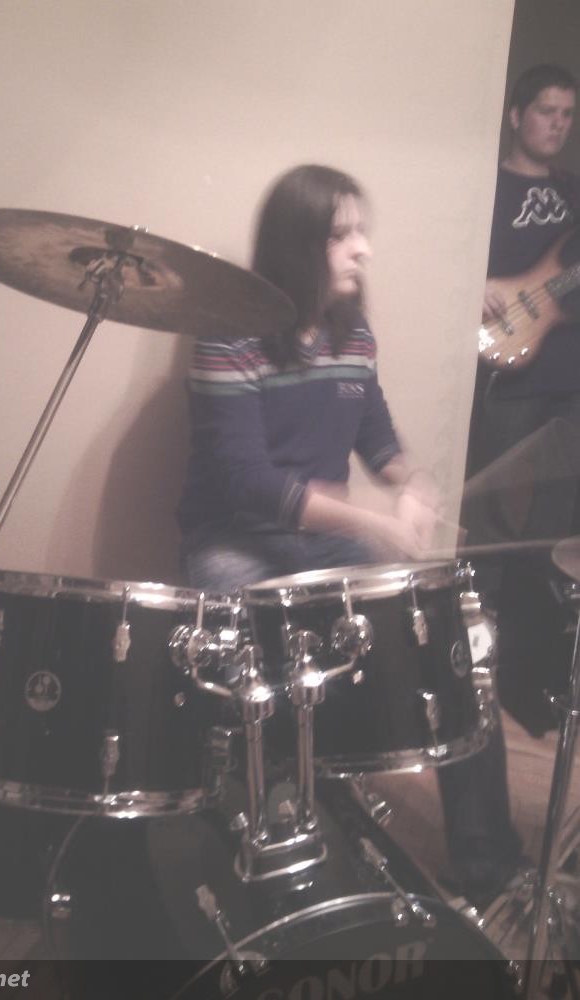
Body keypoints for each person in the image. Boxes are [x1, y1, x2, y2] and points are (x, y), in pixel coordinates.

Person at [178, 163, 523, 909]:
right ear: (296, 245)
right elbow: (249, 484)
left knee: (453, 647)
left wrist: (415, 482)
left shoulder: (353, 333)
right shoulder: (228, 336)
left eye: (362, 232)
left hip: (325, 542)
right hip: (235, 541)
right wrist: (373, 523)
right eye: (343, 235)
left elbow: (377, 438)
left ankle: (490, 867)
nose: (363, 249)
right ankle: (291, 855)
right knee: (263, 677)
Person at [464, 64, 580, 735]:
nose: (557, 124)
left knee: (557, 522)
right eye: (546, 111)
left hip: (569, 371)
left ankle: (532, 666)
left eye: (567, 114)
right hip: (511, 369)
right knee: (494, 509)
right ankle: (479, 652)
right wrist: (473, 280)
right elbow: (453, 254)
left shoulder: (573, 190)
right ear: (516, 116)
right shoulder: (488, 184)